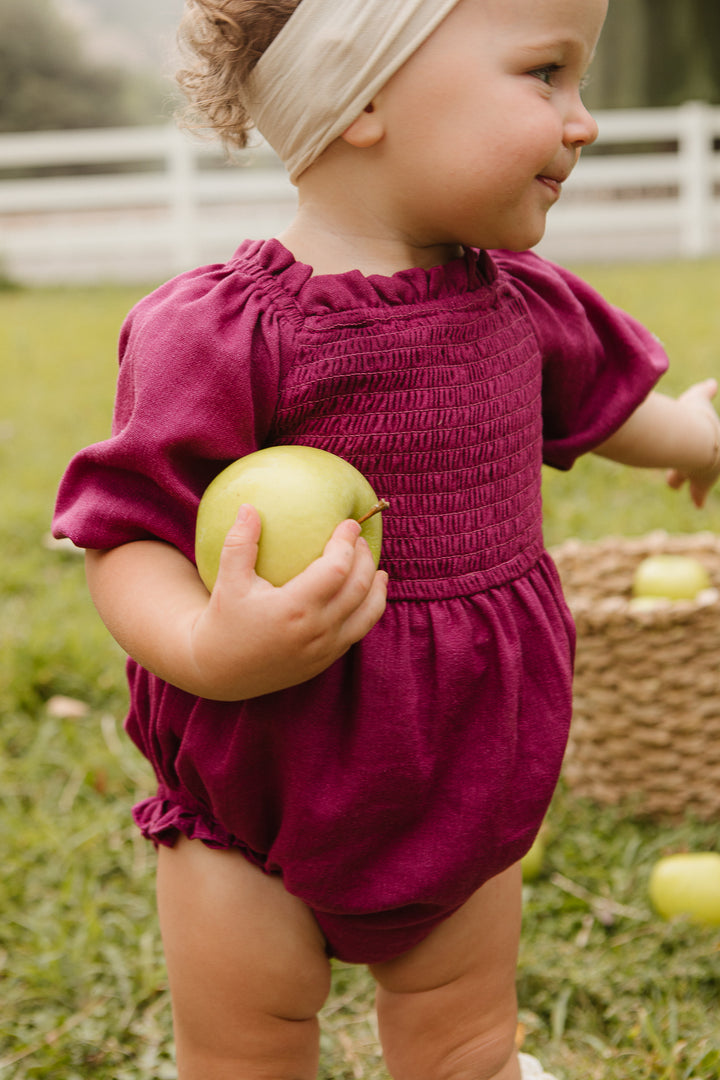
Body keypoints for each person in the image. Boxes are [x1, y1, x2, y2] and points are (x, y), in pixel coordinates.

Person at [53, 1, 720, 1077]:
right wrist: (208, 646)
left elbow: (611, 405)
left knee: (465, 1045)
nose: (582, 121)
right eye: (546, 74)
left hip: (463, 773)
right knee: (243, 1051)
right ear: (364, 95)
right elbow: (126, 534)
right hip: (255, 786)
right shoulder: (226, 331)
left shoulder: (523, 306)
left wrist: (698, 434)